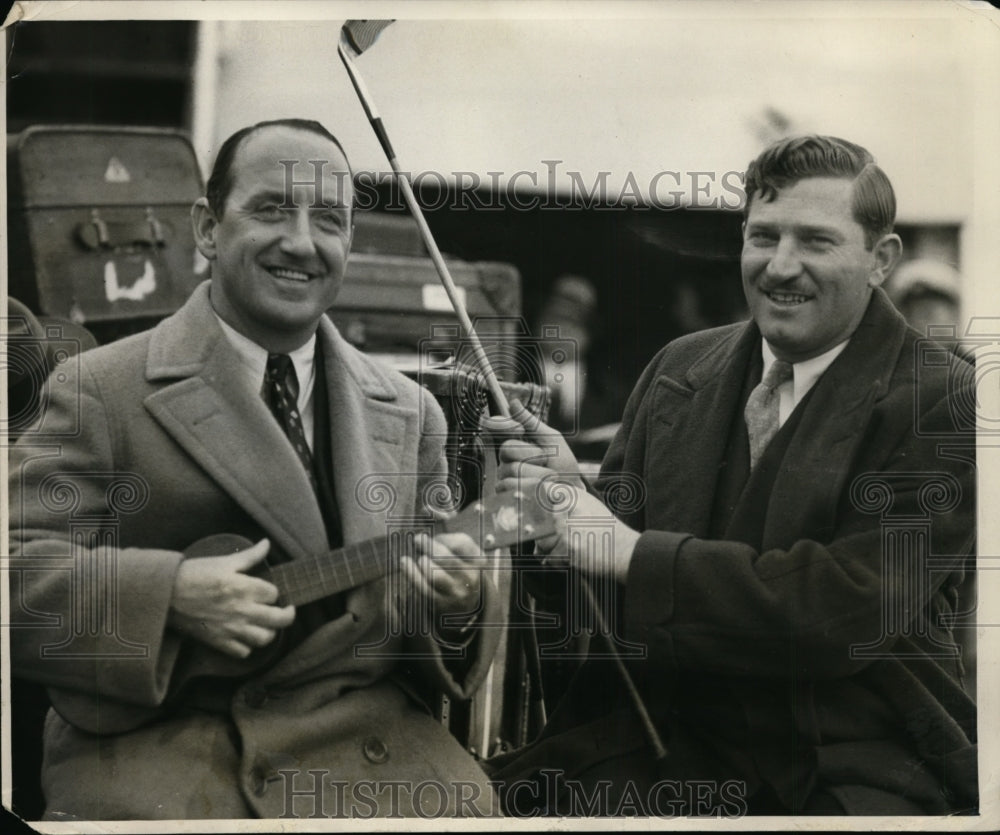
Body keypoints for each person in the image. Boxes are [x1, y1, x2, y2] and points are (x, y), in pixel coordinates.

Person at [7, 118, 502, 820]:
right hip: (170, 749)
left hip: (364, 742)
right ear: (207, 229)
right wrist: (167, 595)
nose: (301, 241)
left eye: (328, 220)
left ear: (350, 244)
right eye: (272, 208)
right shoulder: (100, 387)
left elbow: (413, 630)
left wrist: (453, 601)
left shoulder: (412, 411)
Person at [492, 135, 977, 816]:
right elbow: (601, 607)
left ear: (881, 260)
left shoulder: (942, 400)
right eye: (762, 235)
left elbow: (843, 613)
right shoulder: (677, 369)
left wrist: (625, 547)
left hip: (847, 770)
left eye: (815, 241)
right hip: (656, 745)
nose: (781, 266)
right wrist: (560, 507)